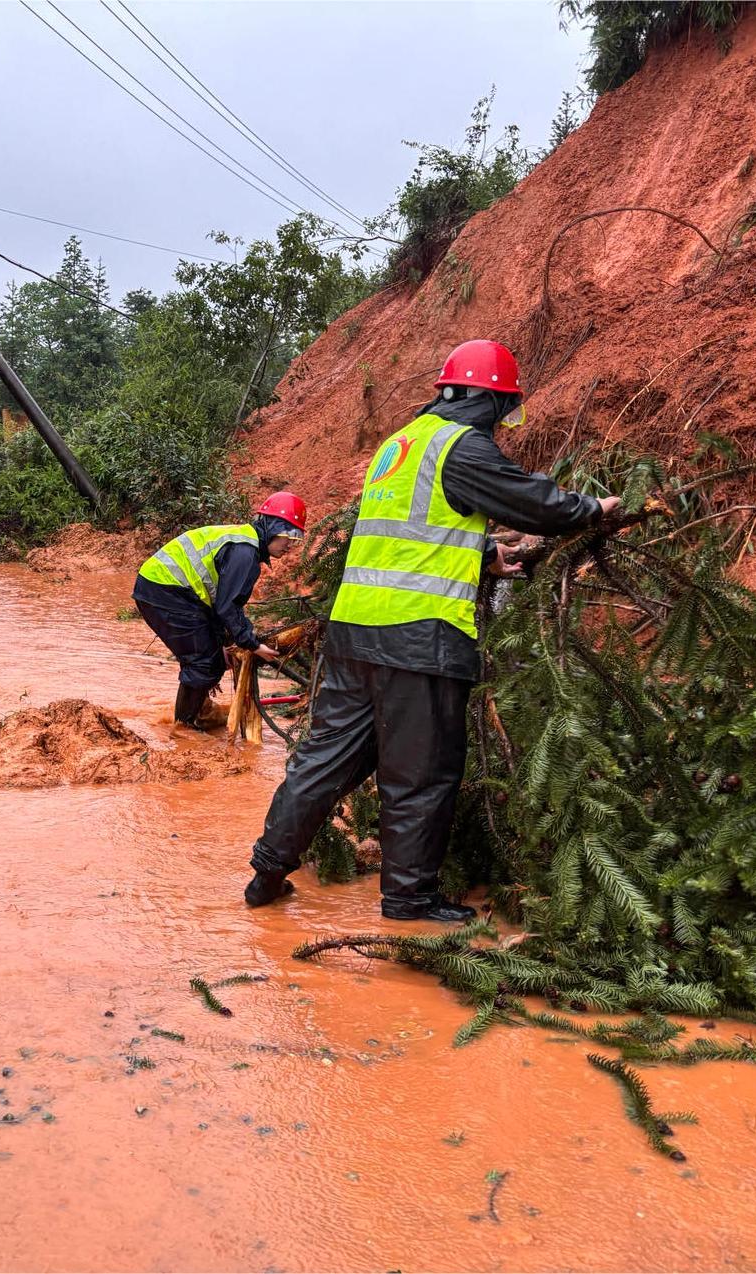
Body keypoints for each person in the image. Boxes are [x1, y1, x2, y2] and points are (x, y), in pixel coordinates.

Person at [243, 339, 621, 920]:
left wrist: (484, 549)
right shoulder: (462, 447)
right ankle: (409, 900)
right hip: (420, 640)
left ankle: (268, 869)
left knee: (325, 759)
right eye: (505, 409)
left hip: (353, 634)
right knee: (419, 775)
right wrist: (594, 510)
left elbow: (414, 536)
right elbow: (533, 503)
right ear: (489, 400)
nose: (504, 423)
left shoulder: (400, 445)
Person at [133, 493, 308, 730]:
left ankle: (196, 712)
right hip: (165, 590)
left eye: (296, 537)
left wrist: (227, 639)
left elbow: (220, 606)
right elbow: (228, 606)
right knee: (204, 662)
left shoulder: (246, 544)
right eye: (288, 535)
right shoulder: (245, 552)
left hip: (172, 591)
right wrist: (252, 644)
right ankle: (183, 728)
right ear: (272, 527)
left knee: (211, 655)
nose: (290, 544)